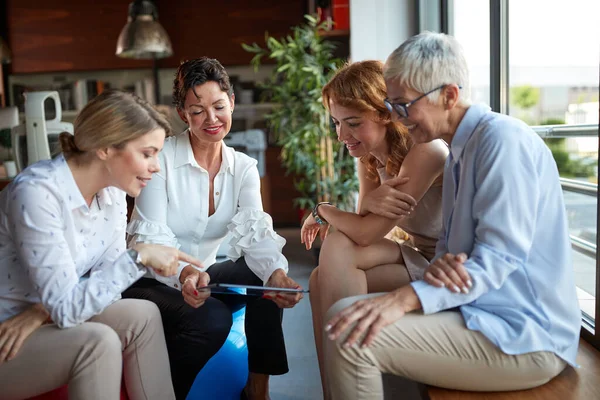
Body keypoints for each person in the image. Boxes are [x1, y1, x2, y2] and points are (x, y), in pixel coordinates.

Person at [323, 32, 581, 400]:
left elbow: (496, 259)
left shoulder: (502, 143)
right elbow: (452, 254)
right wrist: (442, 269)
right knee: (347, 313)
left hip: (524, 336)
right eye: (391, 105)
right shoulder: (464, 149)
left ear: (449, 95)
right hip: (481, 312)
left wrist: (404, 298)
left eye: (403, 105)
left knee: (350, 333)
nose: (397, 117)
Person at [0, 90, 205, 400]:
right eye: (147, 153)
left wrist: (41, 311)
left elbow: (107, 287)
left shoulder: (111, 195)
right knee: (98, 343)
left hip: (43, 322)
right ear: (106, 147)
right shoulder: (37, 194)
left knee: (143, 314)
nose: (157, 166)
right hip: (7, 336)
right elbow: (69, 309)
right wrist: (138, 257)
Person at [125, 57, 303, 400]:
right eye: (197, 110)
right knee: (215, 319)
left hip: (202, 275)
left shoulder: (242, 167)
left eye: (219, 106)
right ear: (182, 113)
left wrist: (277, 275)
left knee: (264, 274)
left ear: (232, 103)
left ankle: (258, 389)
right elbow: (150, 239)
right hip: (151, 279)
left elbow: (256, 233)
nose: (211, 119)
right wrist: (184, 272)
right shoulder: (159, 160)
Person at [301, 60, 448, 397]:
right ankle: (338, 390)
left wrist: (322, 209)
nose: (341, 136)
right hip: (414, 257)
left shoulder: (425, 151)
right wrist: (363, 209)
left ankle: (346, 385)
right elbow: (361, 228)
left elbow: (365, 234)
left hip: (445, 270)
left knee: (334, 254)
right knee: (318, 274)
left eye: (353, 123)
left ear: (385, 114)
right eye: (337, 123)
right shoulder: (369, 156)